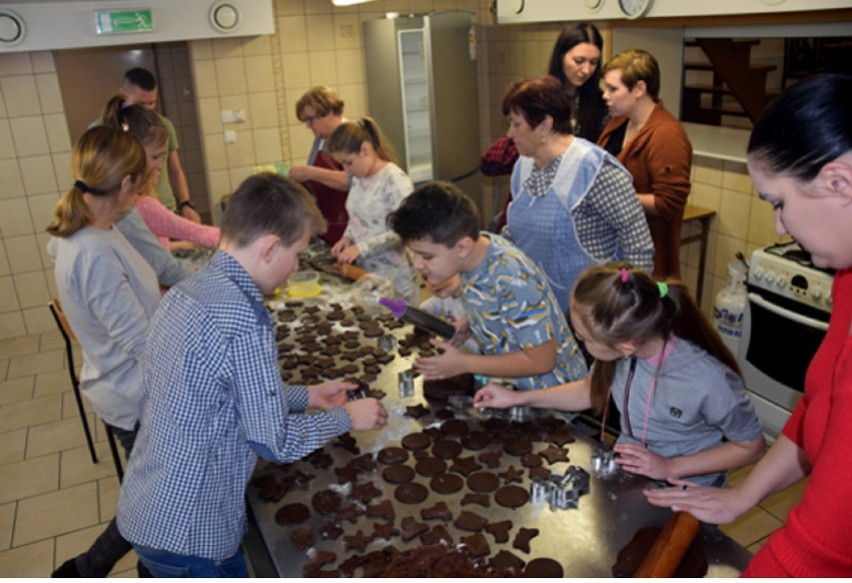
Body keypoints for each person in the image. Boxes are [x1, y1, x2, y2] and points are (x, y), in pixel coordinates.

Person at [116, 173, 388, 577]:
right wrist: (348, 417)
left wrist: (306, 395)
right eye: (296, 253)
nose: (296, 266)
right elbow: (273, 440)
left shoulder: (190, 290)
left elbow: (218, 392)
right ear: (269, 248)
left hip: (150, 505)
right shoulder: (243, 317)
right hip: (193, 532)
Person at [644, 73, 852, 576]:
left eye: (779, 203)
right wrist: (743, 496)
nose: (779, 227)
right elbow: (817, 407)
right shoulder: (848, 278)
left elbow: (820, 548)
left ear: (839, 182)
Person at [474, 262, 765, 486]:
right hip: (633, 476)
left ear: (626, 345)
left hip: (686, 488)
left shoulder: (707, 380)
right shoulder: (625, 351)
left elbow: (751, 447)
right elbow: (589, 390)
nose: (581, 343)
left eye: (585, 339)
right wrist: (517, 398)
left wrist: (669, 467)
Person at [47, 127, 158, 577]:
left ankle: (88, 568)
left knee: (148, 495)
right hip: (131, 396)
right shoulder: (91, 251)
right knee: (151, 499)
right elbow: (140, 343)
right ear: (127, 184)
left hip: (129, 385)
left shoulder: (100, 229)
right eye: (144, 176)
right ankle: (94, 568)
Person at [387, 180, 588, 390]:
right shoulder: (476, 251)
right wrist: (469, 321)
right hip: (514, 388)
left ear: (462, 247)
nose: (418, 264)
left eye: (426, 256)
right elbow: (493, 299)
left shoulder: (512, 278)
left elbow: (542, 360)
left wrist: (464, 364)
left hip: (552, 397)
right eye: (415, 254)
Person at [503, 75, 655, 314]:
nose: (510, 133)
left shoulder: (593, 169)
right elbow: (513, 234)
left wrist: (628, 308)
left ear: (544, 124)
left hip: (593, 314)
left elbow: (637, 244)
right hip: (536, 308)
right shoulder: (523, 166)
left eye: (516, 124)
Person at [481, 23, 609, 231]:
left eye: (594, 63)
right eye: (579, 61)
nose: (586, 70)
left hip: (574, 213)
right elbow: (489, 161)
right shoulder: (537, 98)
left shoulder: (601, 106)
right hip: (533, 204)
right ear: (561, 56)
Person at [597, 49, 692, 279]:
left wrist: (612, 196)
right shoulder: (618, 123)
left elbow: (669, 203)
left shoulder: (667, 135)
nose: (605, 96)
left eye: (613, 89)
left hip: (646, 260)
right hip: (613, 249)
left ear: (639, 89)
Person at [102, 96, 220, 250]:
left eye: (162, 157)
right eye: (155, 157)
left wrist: (180, 245)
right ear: (132, 155)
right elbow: (204, 234)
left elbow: (147, 248)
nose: (160, 165)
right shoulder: (144, 205)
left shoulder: (114, 198)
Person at [327, 117, 417, 304]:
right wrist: (347, 238)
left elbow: (405, 232)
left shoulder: (394, 180)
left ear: (365, 150)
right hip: (366, 274)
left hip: (394, 278)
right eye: (341, 164)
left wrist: (361, 248)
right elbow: (357, 218)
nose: (346, 170)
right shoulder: (360, 178)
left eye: (348, 162)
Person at [114, 67, 201, 223]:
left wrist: (185, 203)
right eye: (141, 103)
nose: (148, 109)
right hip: (130, 215)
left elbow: (175, 170)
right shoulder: (103, 129)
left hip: (166, 208)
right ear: (123, 93)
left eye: (152, 102)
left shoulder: (164, 125)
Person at [289, 86, 350, 245]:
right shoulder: (321, 139)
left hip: (350, 227)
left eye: (311, 119)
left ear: (329, 113)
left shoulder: (352, 136)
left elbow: (351, 181)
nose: (308, 125)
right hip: (328, 224)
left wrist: (310, 172)